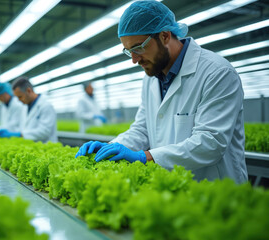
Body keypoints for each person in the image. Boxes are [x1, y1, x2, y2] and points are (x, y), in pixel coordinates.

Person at [75, 0, 248, 184]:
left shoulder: (216, 72)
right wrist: (113, 146)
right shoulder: (150, 79)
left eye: (138, 47)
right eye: (128, 51)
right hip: (173, 189)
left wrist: (146, 157)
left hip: (216, 191)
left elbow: (210, 143)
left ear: (165, 36)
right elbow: (143, 130)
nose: (134, 60)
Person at [0, 76, 58, 143]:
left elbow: (45, 131)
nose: (18, 100)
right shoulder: (25, 107)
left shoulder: (45, 106)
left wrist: (20, 135)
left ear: (29, 91)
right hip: (31, 146)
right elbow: (24, 128)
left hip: (45, 147)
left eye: (20, 97)